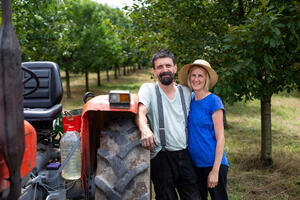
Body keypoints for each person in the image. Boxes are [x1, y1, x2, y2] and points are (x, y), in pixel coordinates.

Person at [136, 49, 200, 200]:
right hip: (161, 157)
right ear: (154, 71)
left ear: (175, 68)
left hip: (185, 155)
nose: (164, 70)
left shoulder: (186, 91)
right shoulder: (149, 89)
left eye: (168, 65)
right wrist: (144, 129)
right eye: (160, 67)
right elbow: (140, 112)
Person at [178, 59, 229, 200]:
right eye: (193, 75)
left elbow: (220, 138)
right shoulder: (189, 100)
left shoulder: (214, 101)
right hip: (194, 165)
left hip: (212, 163)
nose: (196, 79)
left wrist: (215, 170)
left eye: (200, 76)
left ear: (206, 78)